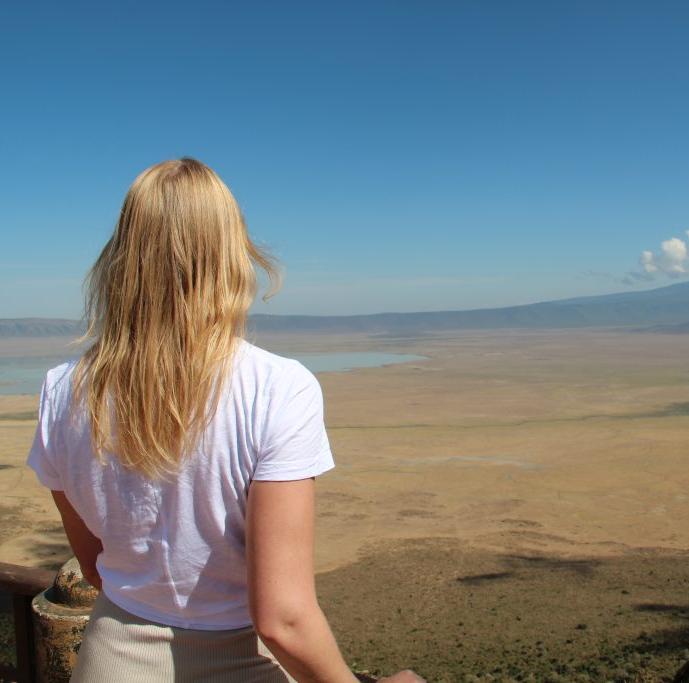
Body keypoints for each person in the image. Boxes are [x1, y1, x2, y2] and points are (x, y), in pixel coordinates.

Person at [26, 158, 425, 683]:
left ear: (122, 257)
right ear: (230, 255)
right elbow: (282, 618)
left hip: (110, 657)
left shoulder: (62, 390)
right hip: (241, 658)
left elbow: (95, 562)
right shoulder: (278, 389)